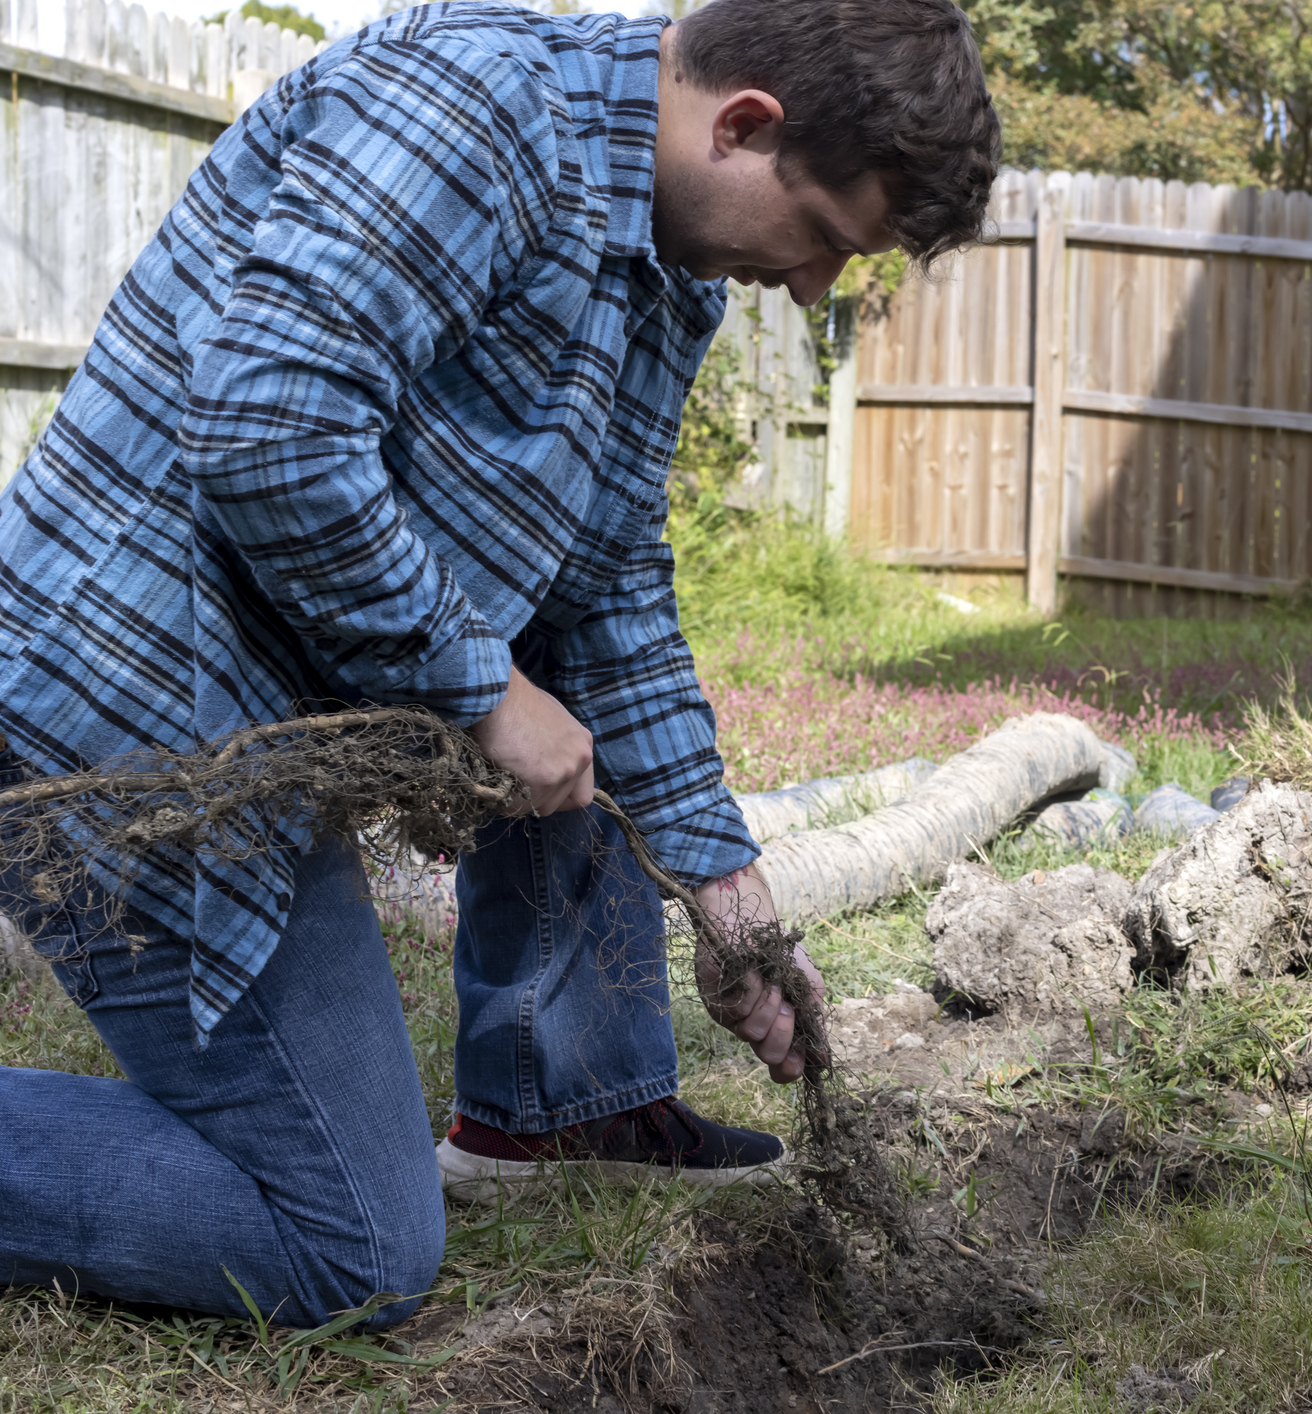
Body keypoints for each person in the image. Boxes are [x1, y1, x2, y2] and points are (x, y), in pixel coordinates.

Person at [0, 0, 998, 1329]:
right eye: (821, 237)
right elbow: (269, 428)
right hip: (124, 715)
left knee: (554, 664)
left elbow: (609, 588)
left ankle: (557, 1105)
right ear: (743, 122)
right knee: (352, 1247)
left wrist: (729, 896)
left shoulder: (666, 271)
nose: (812, 289)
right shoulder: (477, 113)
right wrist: (477, 687)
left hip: (265, 739)